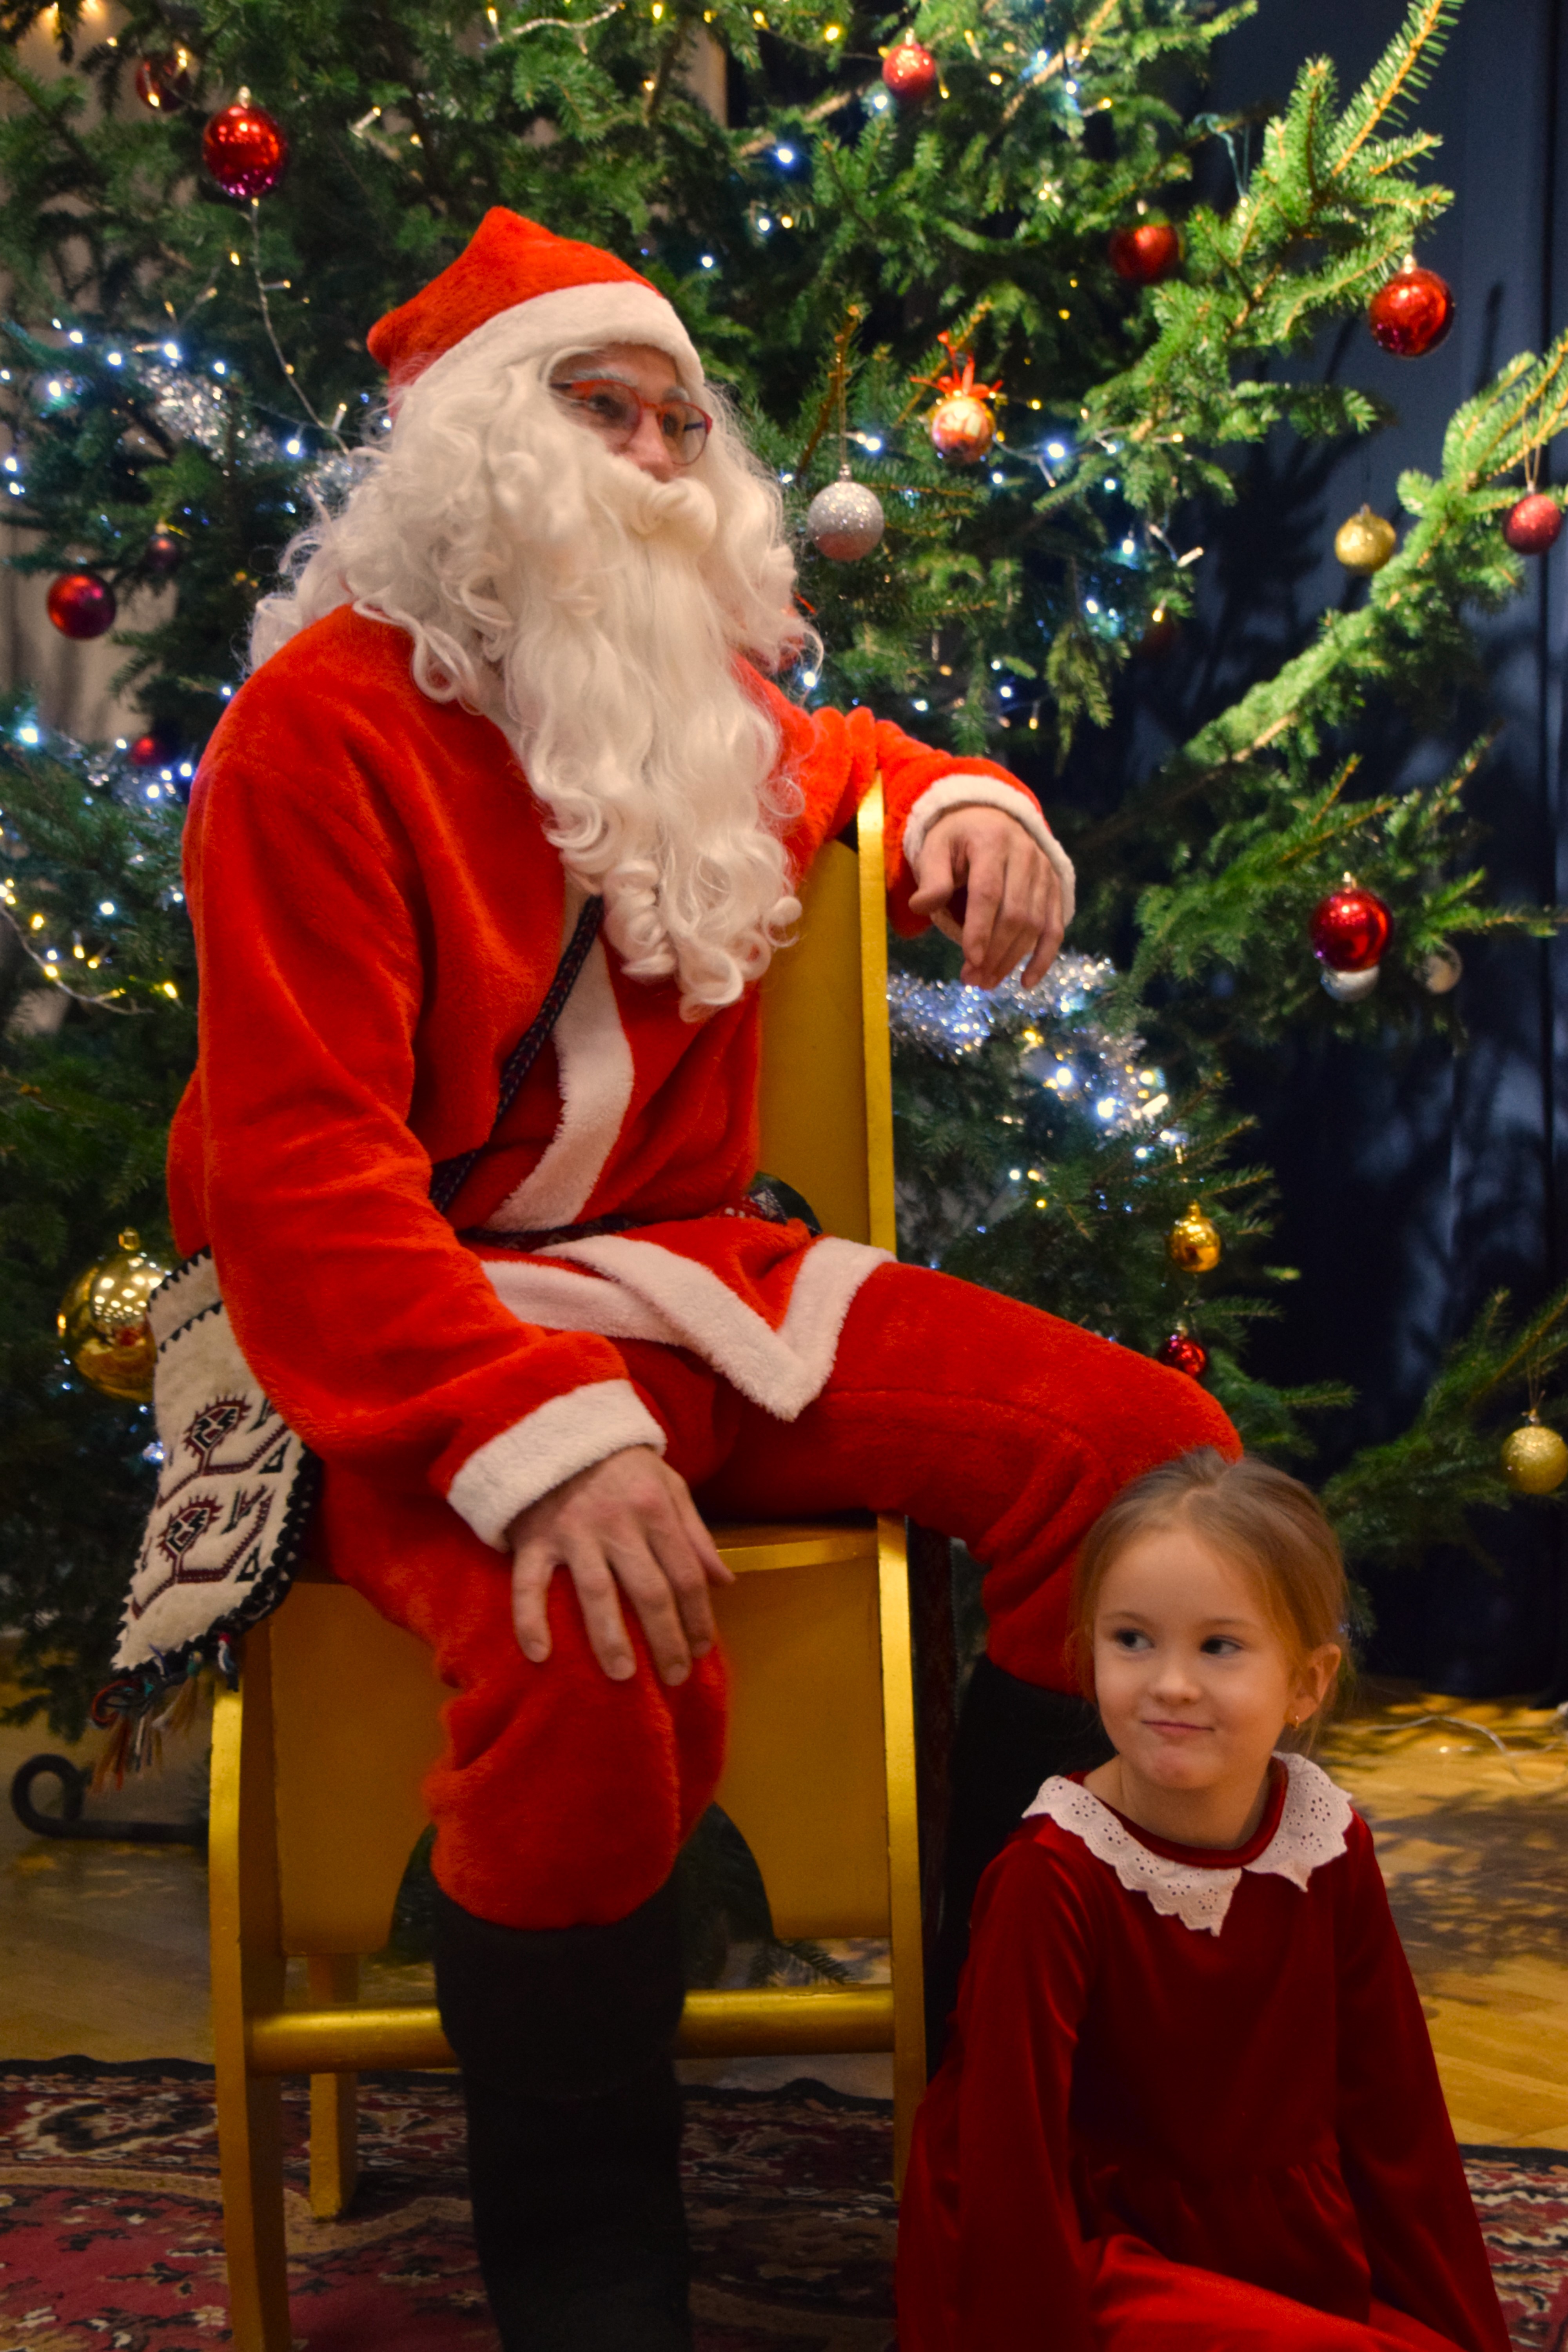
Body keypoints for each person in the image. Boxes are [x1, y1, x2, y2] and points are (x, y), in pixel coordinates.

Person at [171, 206, 1237, 2348]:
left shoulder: (686, 699)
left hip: (688, 1282)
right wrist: (533, 1442)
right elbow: (299, 1177)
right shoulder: (316, 732)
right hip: (417, 1328)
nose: (661, 455)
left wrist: (969, 803)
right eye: (605, 407)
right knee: (587, 1638)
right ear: (479, 448)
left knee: (1147, 1469)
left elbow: (850, 764)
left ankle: (1012, 2083)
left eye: (681, 418)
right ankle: (590, 2270)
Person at [896, 1450, 1510, 2352]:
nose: (1169, 1684)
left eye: (1217, 1646)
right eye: (1131, 1640)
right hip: (1089, 2259)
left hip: (1280, 2253)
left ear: (1305, 1682)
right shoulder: (1053, 1875)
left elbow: (1393, 2111)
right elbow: (1006, 2157)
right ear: (1086, 1653)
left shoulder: (1325, 1843)